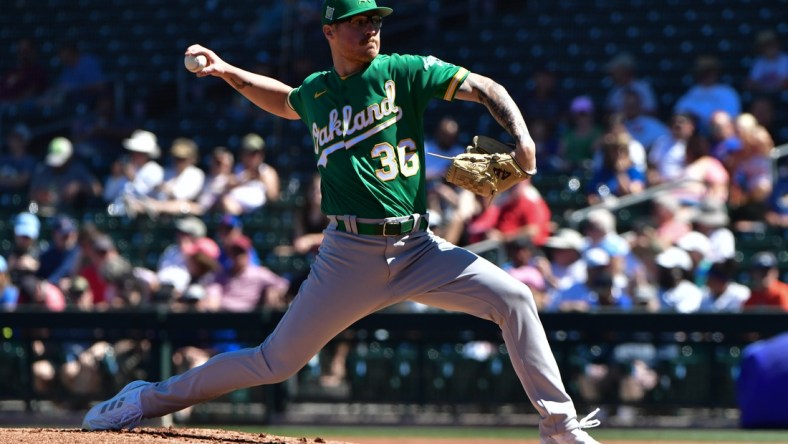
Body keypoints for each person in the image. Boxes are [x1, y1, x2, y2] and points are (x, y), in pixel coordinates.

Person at [82, 2, 602, 442]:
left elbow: (485, 87)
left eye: (376, 20)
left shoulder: (404, 70)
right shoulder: (319, 91)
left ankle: (559, 425)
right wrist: (225, 71)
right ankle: (144, 401)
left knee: (514, 298)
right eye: (358, 21)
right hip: (347, 255)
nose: (371, 28)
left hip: (418, 247)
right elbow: (285, 100)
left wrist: (521, 136)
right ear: (330, 31)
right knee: (273, 364)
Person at [28, 137, 102, 216]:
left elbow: (97, 190)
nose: (57, 166)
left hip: (71, 215)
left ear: (69, 158)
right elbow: (31, 194)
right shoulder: (42, 169)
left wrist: (79, 187)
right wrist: (43, 196)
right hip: (44, 213)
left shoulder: (78, 169)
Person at [673, 55, 741, 134]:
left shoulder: (726, 92)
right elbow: (679, 111)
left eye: (709, 71)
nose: (707, 75)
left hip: (719, 133)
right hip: (696, 134)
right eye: (703, 72)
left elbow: (731, 116)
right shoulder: (693, 91)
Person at [743, 29, 788, 95]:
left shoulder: (785, 59)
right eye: (766, 45)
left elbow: (785, 83)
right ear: (760, 48)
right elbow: (750, 83)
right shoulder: (759, 61)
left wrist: (764, 86)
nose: (769, 48)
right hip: (764, 96)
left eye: (771, 44)